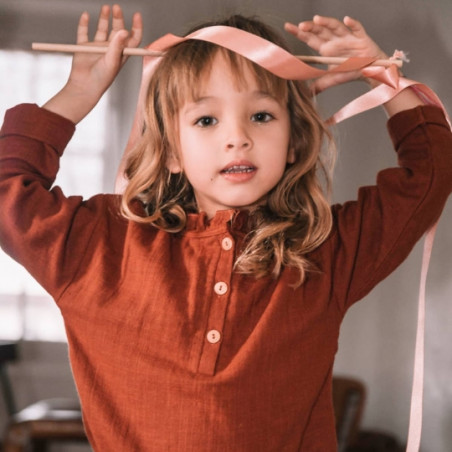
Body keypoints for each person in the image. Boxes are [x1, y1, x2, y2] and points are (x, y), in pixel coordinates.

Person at [0, 4, 451, 451]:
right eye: (206, 120)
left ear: (293, 141)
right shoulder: (99, 246)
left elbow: (431, 173)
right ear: (171, 152)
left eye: (261, 116)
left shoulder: (325, 252)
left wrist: (384, 77)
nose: (237, 137)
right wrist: (77, 95)